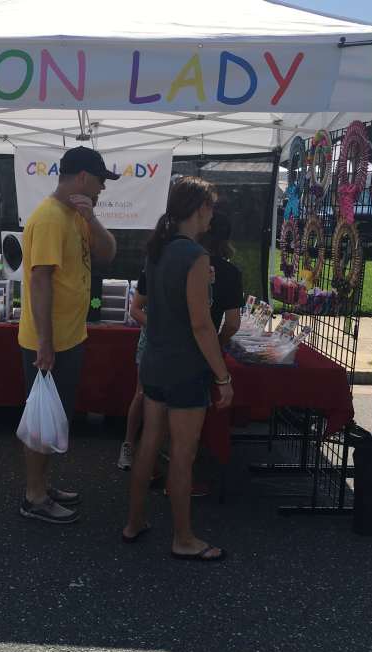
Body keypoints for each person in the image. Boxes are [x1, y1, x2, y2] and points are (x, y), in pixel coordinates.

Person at [122, 177, 233, 562]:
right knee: (182, 456)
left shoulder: (159, 249)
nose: (212, 214)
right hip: (185, 369)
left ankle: (134, 522)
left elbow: (162, 304)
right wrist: (223, 376)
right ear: (199, 207)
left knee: (149, 444)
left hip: (154, 362)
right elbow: (202, 325)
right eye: (211, 206)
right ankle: (183, 538)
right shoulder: (195, 256)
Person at [18, 146, 118, 524]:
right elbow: (40, 281)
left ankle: (42, 485)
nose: (102, 189)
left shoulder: (76, 215)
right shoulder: (49, 219)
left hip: (68, 337)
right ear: (81, 177)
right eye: (100, 181)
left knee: (53, 416)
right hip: (50, 341)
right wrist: (45, 343)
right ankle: (34, 496)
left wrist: (92, 219)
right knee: (41, 420)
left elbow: (108, 252)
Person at [117, 269, 147, 471]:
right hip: (152, 343)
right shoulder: (152, 269)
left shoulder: (192, 266)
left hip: (179, 347)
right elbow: (135, 309)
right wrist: (162, 328)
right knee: (142, 394)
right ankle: (128, 445)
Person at [200, 212, 244, 347]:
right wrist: (218, 344)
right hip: (205, 350)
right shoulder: (230, 272)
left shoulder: (183, 261)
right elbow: (232, 324)